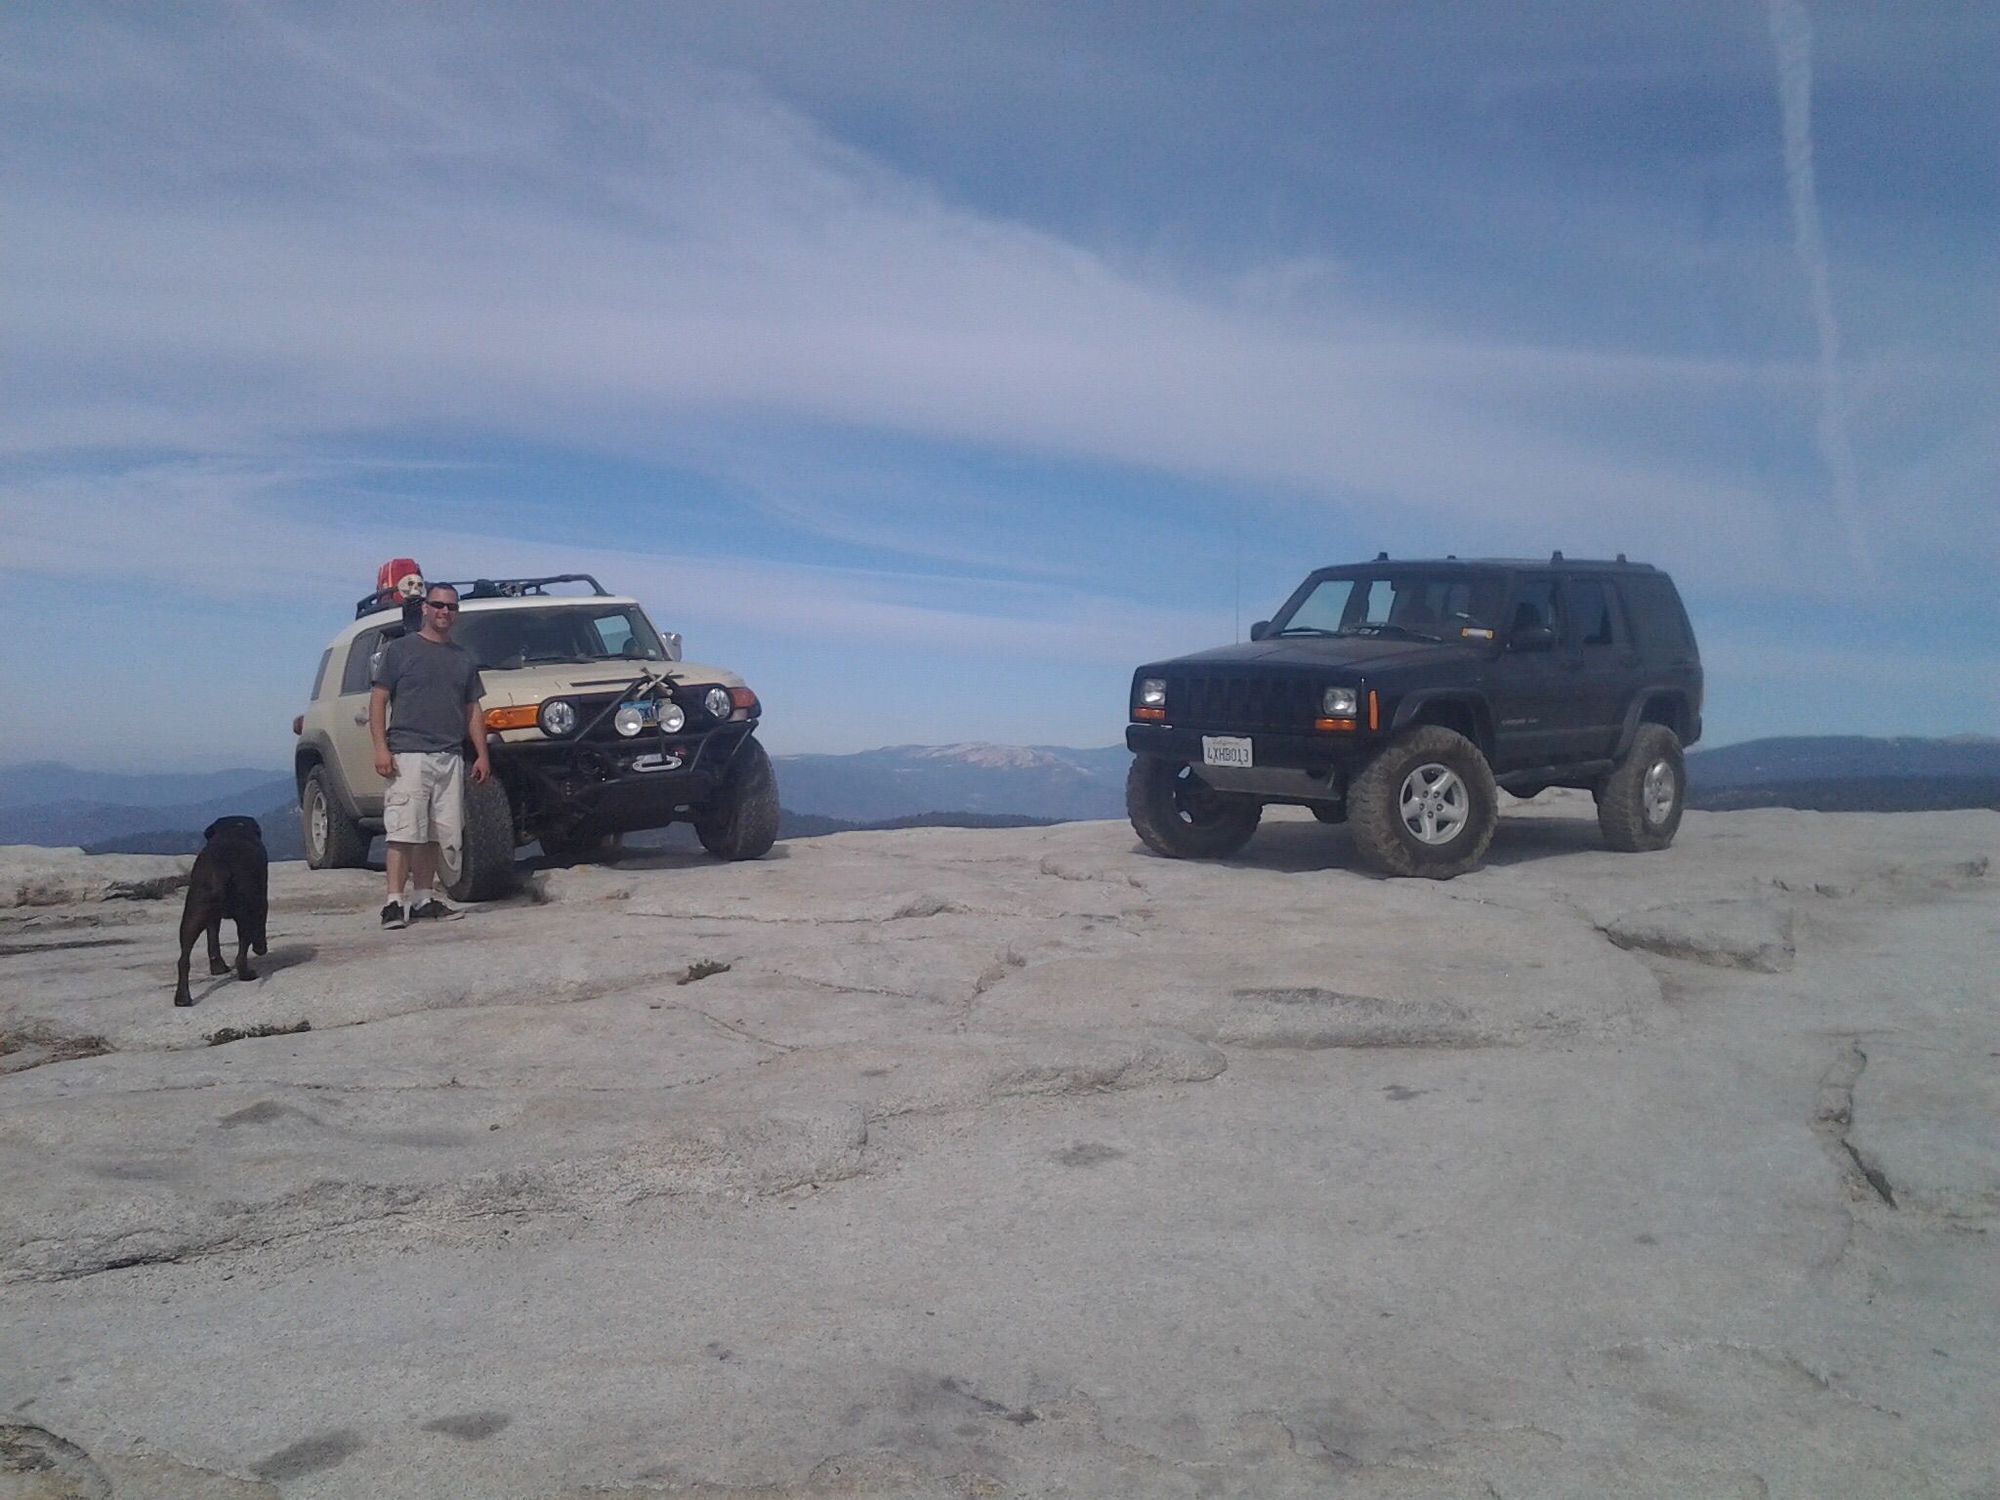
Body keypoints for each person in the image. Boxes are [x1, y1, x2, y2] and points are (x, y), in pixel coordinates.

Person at [369, 583, 491, 928]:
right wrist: (380, 748)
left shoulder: (463, 658)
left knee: (437, 833)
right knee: (403, 830)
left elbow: (472, 709)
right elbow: (378, 700)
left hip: (449, 755)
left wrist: (481, 754)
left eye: (451, 607)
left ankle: (423, 898)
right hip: (408, 754)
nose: (444, 612)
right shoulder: (399, 650)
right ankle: (393, 902)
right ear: (424, 607)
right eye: (438, 605)